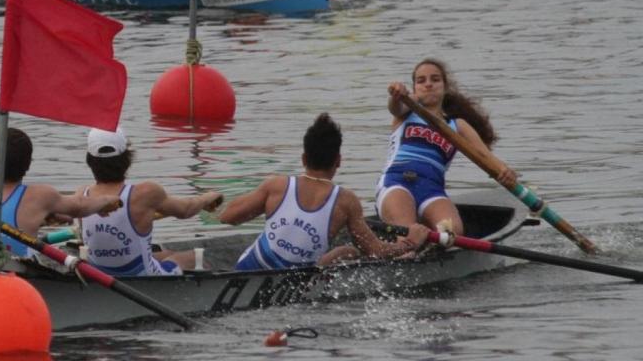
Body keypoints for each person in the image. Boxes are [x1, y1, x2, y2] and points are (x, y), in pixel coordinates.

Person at [219, 113, 430, 270]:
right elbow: (375, 252)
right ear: (338, 161)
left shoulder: (276, 185)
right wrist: (411, 242)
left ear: (303, 159)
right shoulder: (346, 202)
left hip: (248, 268)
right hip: (295, 282)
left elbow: (227, 217)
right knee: (351, 253)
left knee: (347, 252)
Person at [376, 58, 518, 237]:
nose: (428, 84)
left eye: (435, 80)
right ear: (414, 89)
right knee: (407, 235)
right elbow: (395, 107)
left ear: (444, 86)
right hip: (396, 183)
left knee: (452, 233)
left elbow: (485, 157)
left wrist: (505, 172)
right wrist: (397, 95)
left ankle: (429, 248)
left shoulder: (457, 125)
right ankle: (409, 249)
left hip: (432, 190)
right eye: (421, 81)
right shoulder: (406, 112)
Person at [77, 127, 224, 276]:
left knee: (167, 253)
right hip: (142, 275)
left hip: (98, 274)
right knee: (193, 257)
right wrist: (207, 197)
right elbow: (186, 210)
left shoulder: (81, 195)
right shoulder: (146, 193)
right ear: (127, 159)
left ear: (90, 161)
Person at [0, 127, 121, 257]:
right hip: (16, 282)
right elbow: (79, 206)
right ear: (28, 164)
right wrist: (106, 200)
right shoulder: (39, 196)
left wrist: (43, 218)